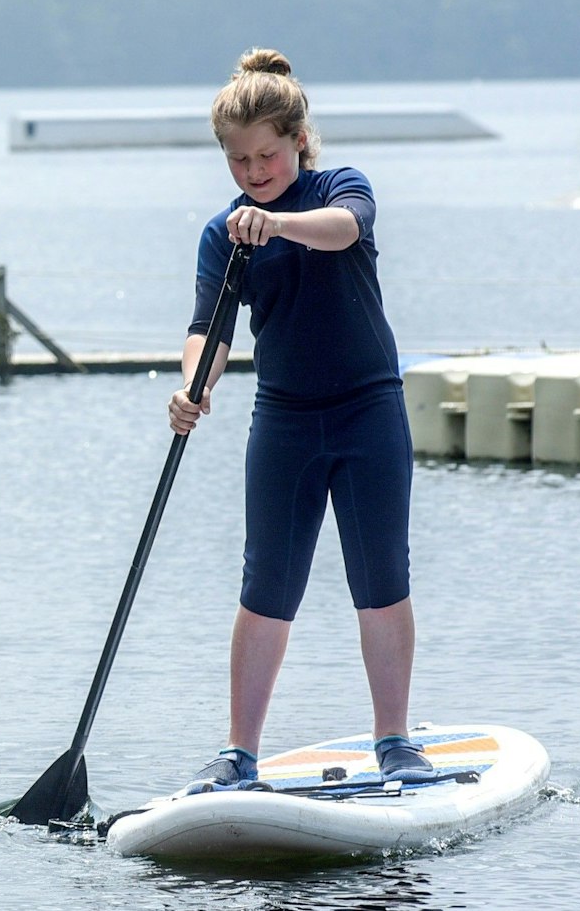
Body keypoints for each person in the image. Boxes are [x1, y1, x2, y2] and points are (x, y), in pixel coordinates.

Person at [168, 48, 432, 790]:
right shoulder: (226, 234)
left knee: (380, 578)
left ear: (299, 141)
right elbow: (210, 330)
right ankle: (238, 754)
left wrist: (278, 225)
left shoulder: (341, 189)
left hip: (368, 411)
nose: (254, 172)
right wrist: (192, 386)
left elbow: (345, 229)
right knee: (266, 587)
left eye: (268, 155)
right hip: (284, 421)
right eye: (238, 160)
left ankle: (395, 740)